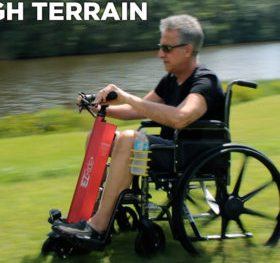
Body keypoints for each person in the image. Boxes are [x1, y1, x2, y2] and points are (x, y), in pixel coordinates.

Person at [52, 14, 225, 239]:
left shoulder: (205, 81)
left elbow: (181, 118)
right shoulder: (171, 80)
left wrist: (126, 96)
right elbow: (136, 110)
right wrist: (97, 107)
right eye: (160, 47)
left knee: (129, 138)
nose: (160, 54)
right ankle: (86, 214)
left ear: (188, 49)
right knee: (99, 138)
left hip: (190, 155)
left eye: (166, 48)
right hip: (168, 150)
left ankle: (98, 227)